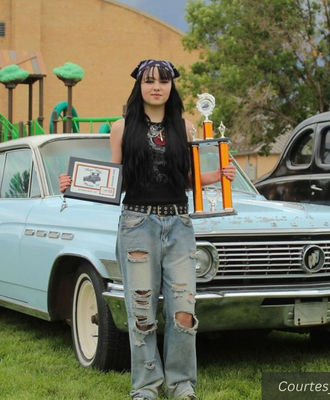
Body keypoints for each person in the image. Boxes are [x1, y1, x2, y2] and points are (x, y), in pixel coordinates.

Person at [60, 59, 235, 400]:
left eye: (164, 81)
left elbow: (185, 178)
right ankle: (145, 386)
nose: (157, 87)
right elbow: (115, 179)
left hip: (179, 225)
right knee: (141, 311)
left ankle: (181, 383)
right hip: (138, 224)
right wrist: (75, 184)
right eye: (149, 81)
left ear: (172, 87)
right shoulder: (121, 127)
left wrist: (216, 176)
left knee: (183, 309)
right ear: (138, 86)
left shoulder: (184, 126)